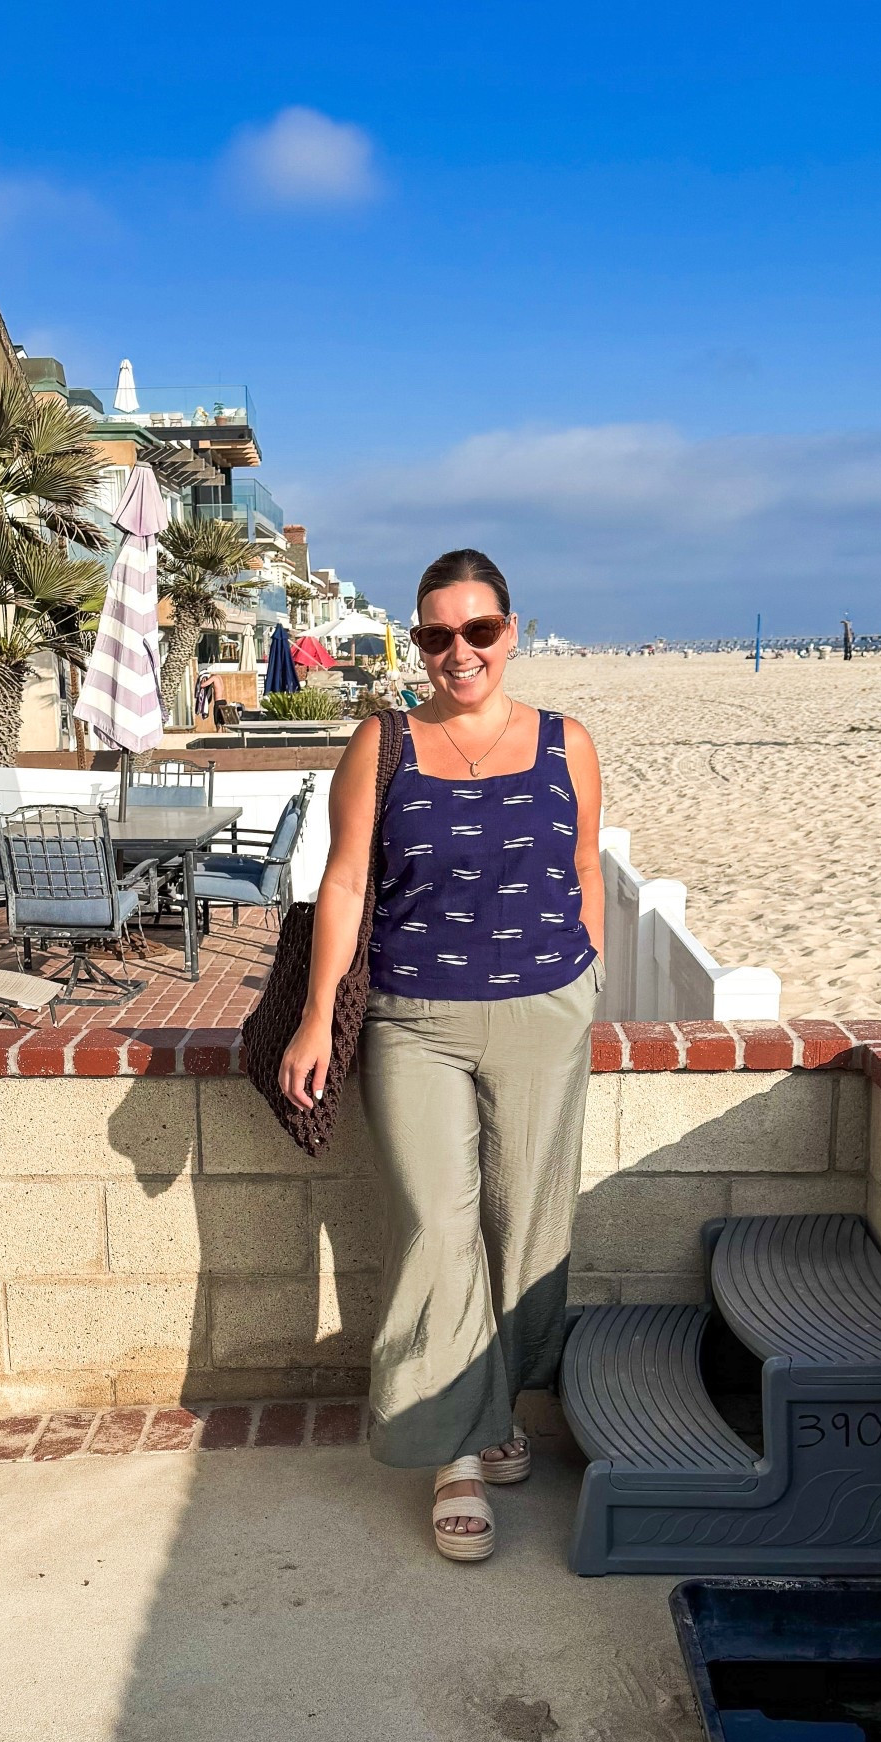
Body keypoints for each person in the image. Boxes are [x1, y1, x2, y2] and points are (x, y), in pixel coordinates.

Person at [278, 548, 604, 1562]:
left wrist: (585, 981)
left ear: (514, 631)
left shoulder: (568, 742)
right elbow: (341, 884)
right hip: (414, 1021)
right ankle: (455, 1452)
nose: (457, 653)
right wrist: (314, 1012)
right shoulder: (383, 744)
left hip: (544, 1011)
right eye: (435, 634)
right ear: (416, 641)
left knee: (524, 1222)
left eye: (478, 631)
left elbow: (585, 865)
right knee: (437, 1223)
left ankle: (496, 1402)